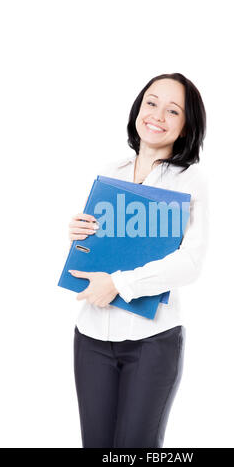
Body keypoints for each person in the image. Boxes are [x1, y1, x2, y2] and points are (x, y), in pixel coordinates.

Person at [68, 72, 209, 448]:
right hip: (92, 337)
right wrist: (79, 236)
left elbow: (190, 263)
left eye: (173, 111)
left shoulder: (189, 182)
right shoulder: (110, 174)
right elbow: (98, 249)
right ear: (138, 109)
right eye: (151, 103)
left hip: (153, 342)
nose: (157, 115)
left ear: (185, 126)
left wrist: (118, 284)